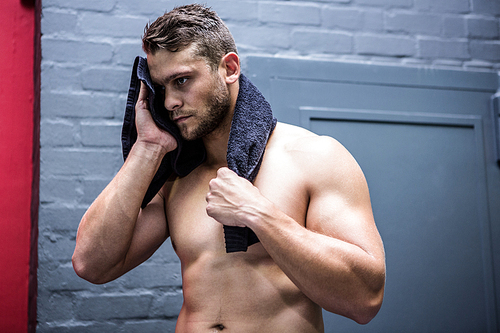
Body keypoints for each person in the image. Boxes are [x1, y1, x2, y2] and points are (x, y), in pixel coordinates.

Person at [72, 4, 385, 332]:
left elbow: (365, 299)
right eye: (162, 87)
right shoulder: (178, 176)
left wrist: (259, 213)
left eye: (182, 80)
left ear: (230, 68)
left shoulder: (314, 157)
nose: (169, 102)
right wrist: (148, 147)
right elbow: (90, 264)